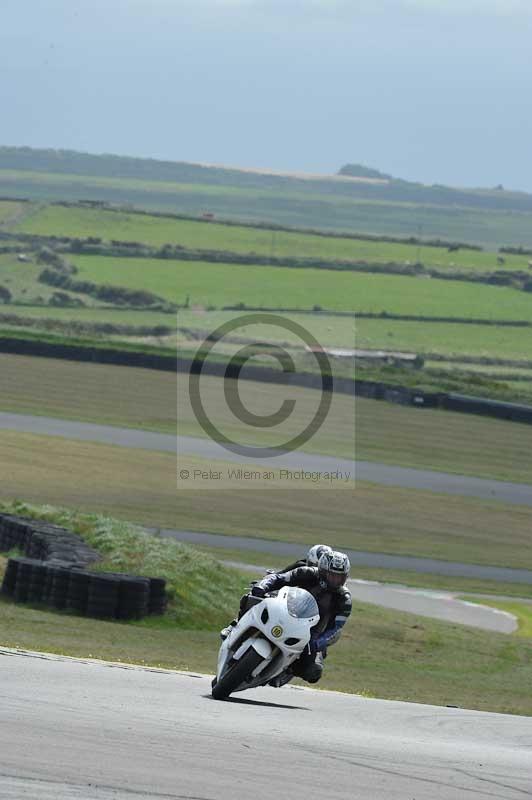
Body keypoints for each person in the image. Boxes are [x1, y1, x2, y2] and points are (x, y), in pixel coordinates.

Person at [225, 551, 352, 686]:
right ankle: (235, 626)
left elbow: (336, 628)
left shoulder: (344, 599)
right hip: (285, 609)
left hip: (311, 633)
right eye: (332, 575)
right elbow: (279, 578)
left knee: (313, 672)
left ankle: (286, 670)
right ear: (322, 571)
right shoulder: (306, 572)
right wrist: (262, 586)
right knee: (251, 599)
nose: (335, 580)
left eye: (339, 577)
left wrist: (318, 642)